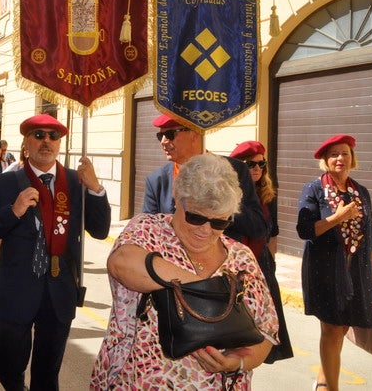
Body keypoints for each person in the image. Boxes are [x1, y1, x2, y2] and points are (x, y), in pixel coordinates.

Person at [91, 153, 278, 389]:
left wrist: (237, 363)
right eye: (196, 217)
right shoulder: (148, 230)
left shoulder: (241, 258)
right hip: (138, 382)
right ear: (179, 198)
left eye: (219, 222)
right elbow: (122, 264)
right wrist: (213, 293)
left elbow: (266, 331)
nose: (206, 230)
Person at [0, 114, 111, 390]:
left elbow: (100, 231)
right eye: (38, 135)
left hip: (59, 290)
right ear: (26, 143)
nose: (46, 141)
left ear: (59, 144)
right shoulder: (5, 184)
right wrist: (13, 211)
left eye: (53, 136)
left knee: (48, 373)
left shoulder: (77, 182)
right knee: (8, 364)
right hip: (17, 290)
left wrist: (96, 188)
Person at [296, 134, 372, 390]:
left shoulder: (361, 191)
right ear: (325, 160)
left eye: (344, 153)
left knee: (342, 327)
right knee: (332, 330)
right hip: (325, 271)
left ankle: (323, 378)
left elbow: (371, 234)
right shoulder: (314, 189)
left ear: (351, 157)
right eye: (333, 154)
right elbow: (304, 230)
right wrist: (337, 217)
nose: (339, 158)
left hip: (357, 269)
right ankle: (329, 387)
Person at [142, 114, 267, 246]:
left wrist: (224, 202)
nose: (163, 142)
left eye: (170, 134)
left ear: (195, 133)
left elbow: (258, 229)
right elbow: (148, 230)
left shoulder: (235, 170)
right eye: (160, 136)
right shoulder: (157, 180)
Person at [229, 140, 293, 363]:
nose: (257, 169)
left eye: (261, 164)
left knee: (262, 329)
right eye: (250, 164)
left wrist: (271, 263)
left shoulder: (268, 195)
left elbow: (272, 232)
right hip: (234, 267)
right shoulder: (228, 194)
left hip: (262, 266)